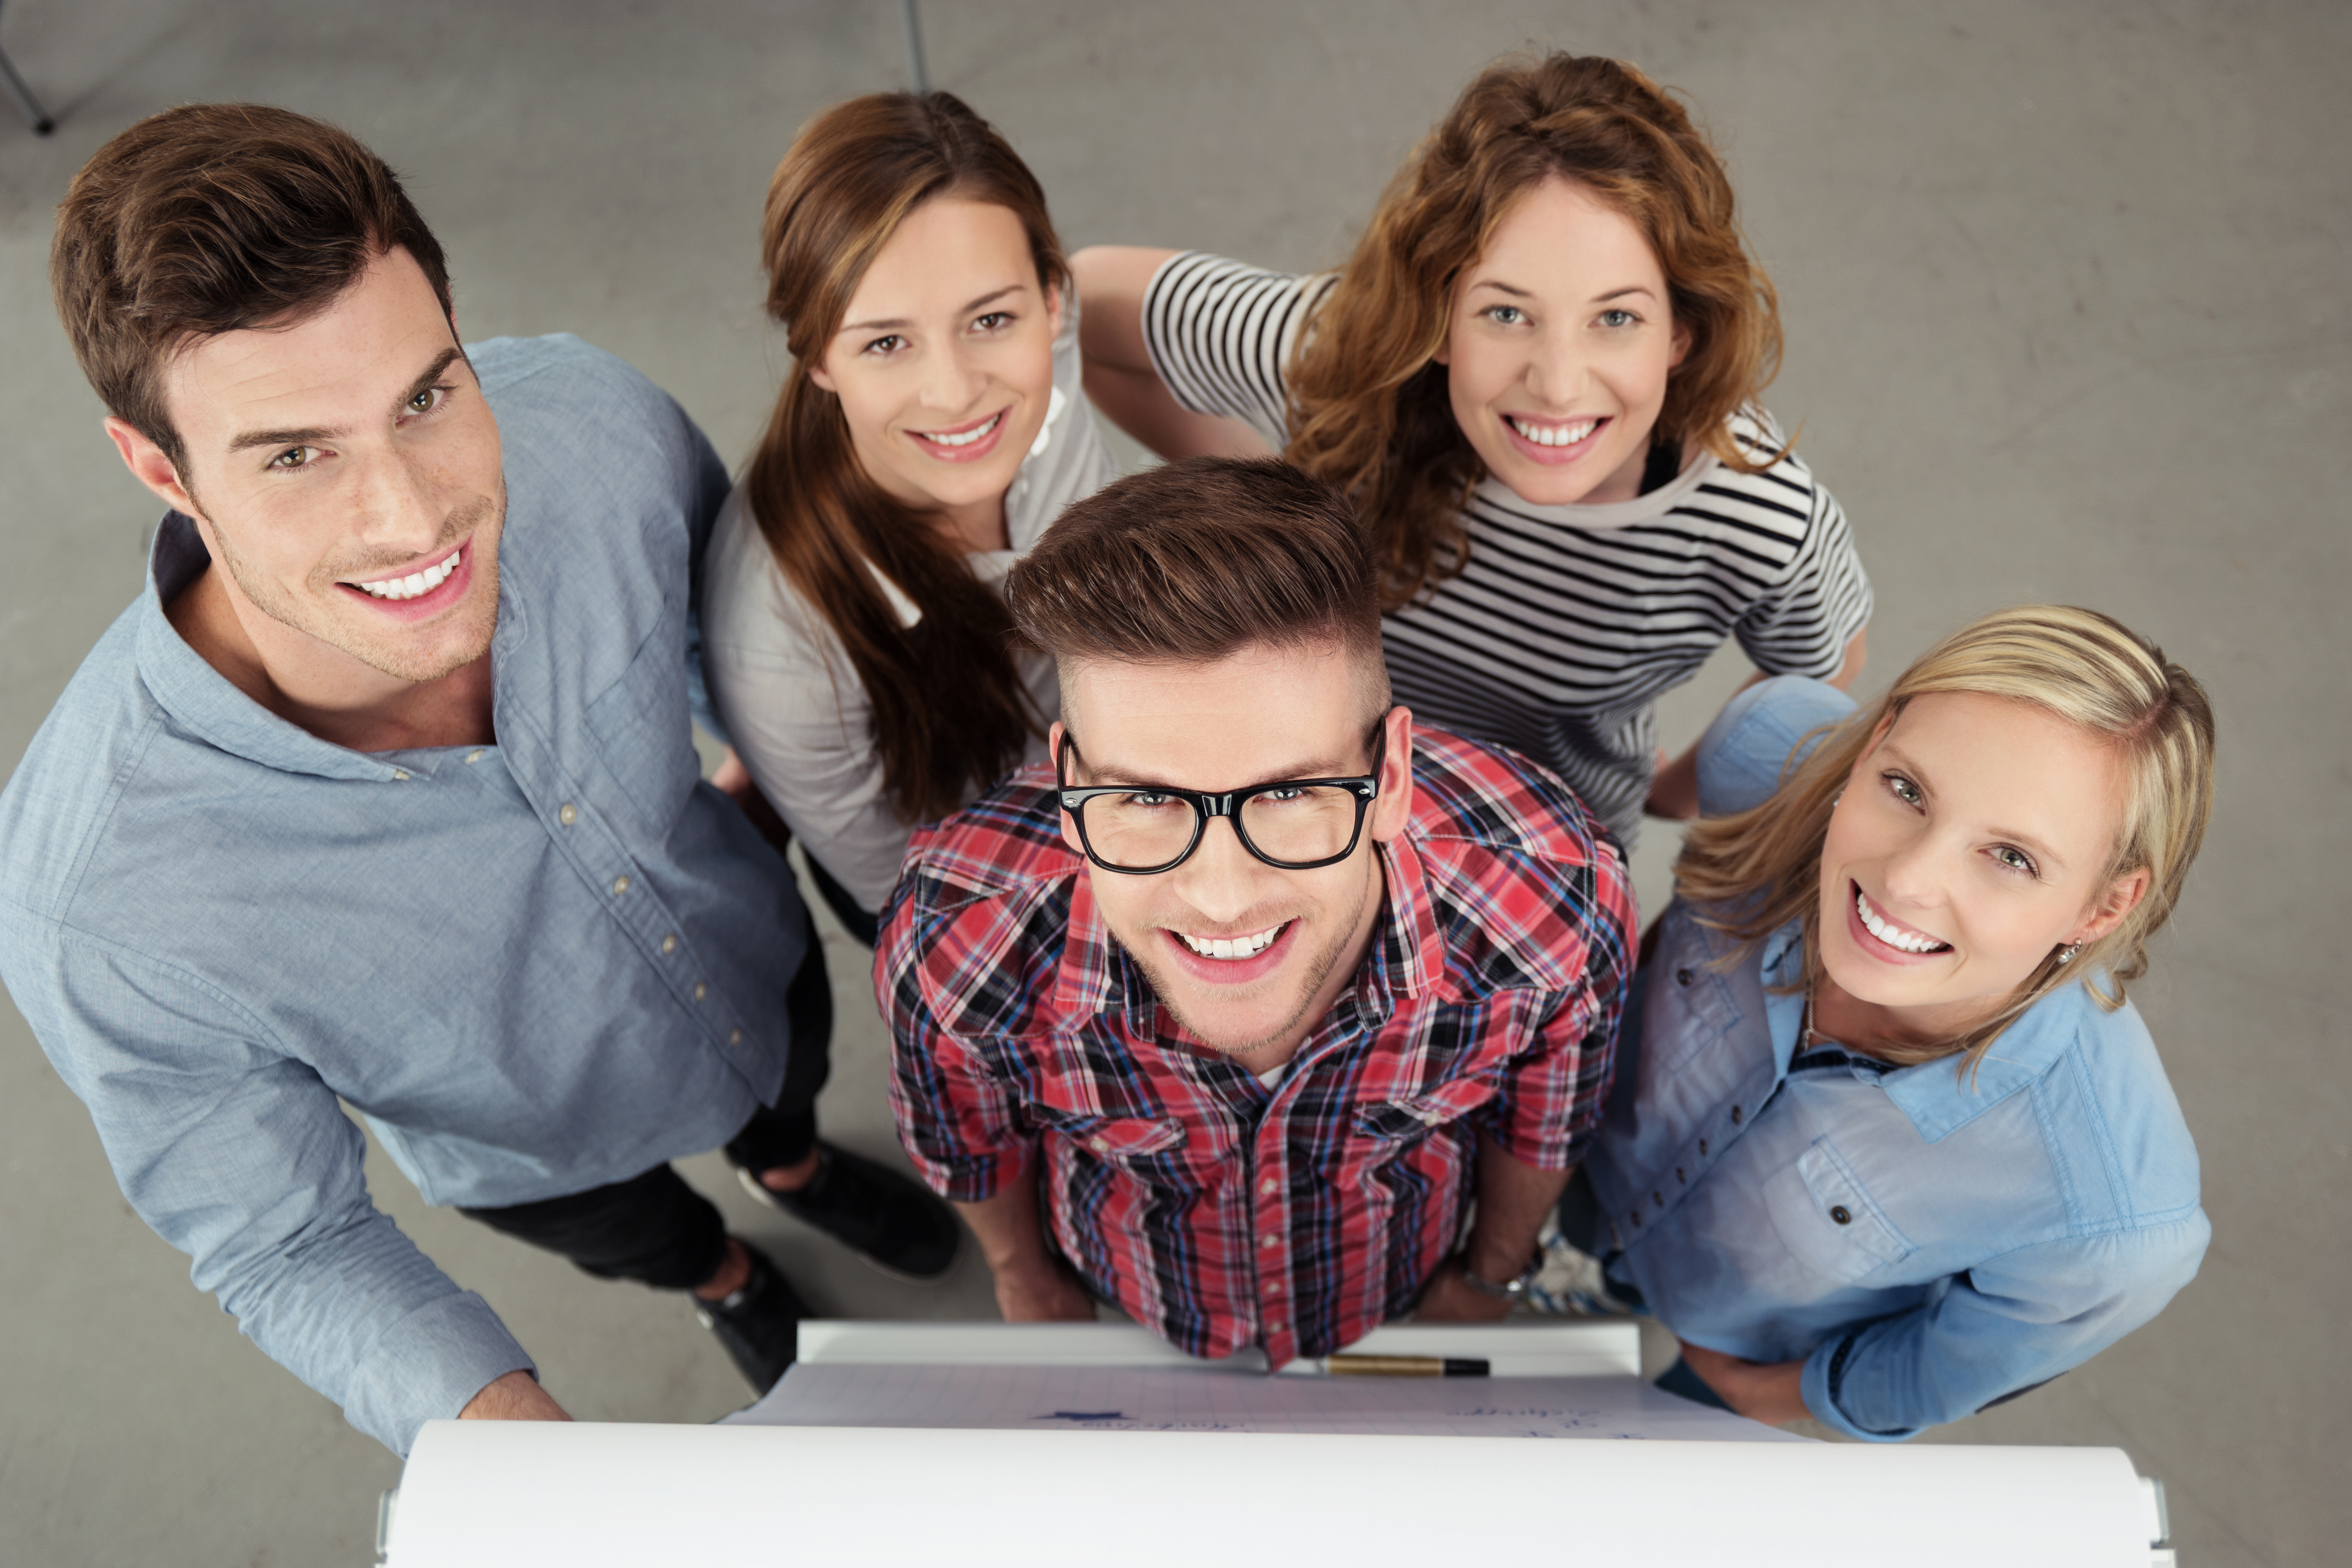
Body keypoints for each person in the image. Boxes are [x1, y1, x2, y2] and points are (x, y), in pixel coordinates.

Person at [0, 104, 952, 1457]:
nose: (412, 517)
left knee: (789, 1088)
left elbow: (730, 629)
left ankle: (792, 1167)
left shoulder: (595, 427)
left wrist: (759, 754)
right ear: (162, 469)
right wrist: (515, 1450)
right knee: (648, 1236)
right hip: (539, 1152)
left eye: (425, 398)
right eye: (294, 454)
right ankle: (725, 1277)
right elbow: (288, 1244)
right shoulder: (99, 907)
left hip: (746, 954)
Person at [879, 458, 1636, 1363]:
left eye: (1288, 794)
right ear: (1069, 785)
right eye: (1146, 799)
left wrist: (1488, 1280)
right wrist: (1024, 1277)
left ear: (1390, 777)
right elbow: (969, 1145)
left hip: (1397, 1280)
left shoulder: (1556, 906)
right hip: (1134, 1284)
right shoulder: (954, 939)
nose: (1222, 896)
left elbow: (1545, 1127)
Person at [1073, 51, 1872, 847]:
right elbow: (1088, 306)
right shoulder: (1343, 360)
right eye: (1506, 314)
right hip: (1313, 816)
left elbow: (1822, 669)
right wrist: (1264, 499)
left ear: (1680, 335)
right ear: (1439, 317)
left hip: (1548, 852)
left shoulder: (1759, 511)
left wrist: (1673, 792)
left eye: (1616, 318)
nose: (1558, 385)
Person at [1565, 606, 2213, 1440]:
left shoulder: (2111, 1221)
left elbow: (1932, 1372)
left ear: (2105, 907)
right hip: (1584, 1185)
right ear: (1873, 744)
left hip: (1721, 1343)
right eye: (1907, 790)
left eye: (2013, 857)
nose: (1906, 882)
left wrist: (1756, 1396)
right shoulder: (1765, 747)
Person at [702, 91, 1119, 946]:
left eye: (991, 319)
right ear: (817, 355)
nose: (956, 392)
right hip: (988, 900)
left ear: (1053, 300)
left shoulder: (1059, 352)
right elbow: (922, 914)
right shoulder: (780, 649)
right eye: (887, 343)